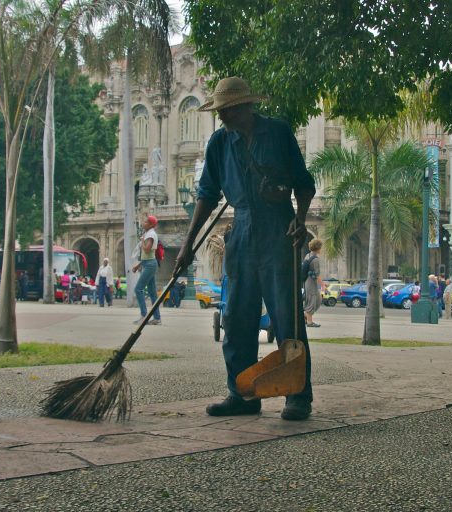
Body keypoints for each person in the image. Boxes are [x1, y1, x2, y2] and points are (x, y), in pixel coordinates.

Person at [176, 76, 315, 421]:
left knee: (287, 316)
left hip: (278, 229)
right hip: (240, 232)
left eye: (228, 111)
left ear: (246, 107)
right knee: (236, 316)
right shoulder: (219, 144)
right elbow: (207, 195)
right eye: (220, 112)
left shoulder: (279, 133)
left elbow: (304, 183)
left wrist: (300, 218)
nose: (222, 117)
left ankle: (297, 395)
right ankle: (241, 394)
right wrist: (188, 244)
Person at [132, 215, 161, 325]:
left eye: (146, 222)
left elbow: (147, 249)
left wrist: (143, 241)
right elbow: (146, 256)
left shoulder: (151, 234)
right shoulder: (148, 234)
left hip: (150, 265)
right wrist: (138, 266)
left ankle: (144, 315)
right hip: (148, 263)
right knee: (152, 293)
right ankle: (157, 318)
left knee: (138, 289)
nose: (143, 223)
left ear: (151, 224)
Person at [303, 239, 325, 328]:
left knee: (318, 299)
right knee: (312, 300)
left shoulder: (307, 255)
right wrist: (323, 284)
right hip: (311, 282)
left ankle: (306, 315)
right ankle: (309, 322)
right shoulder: (315, 259)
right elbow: (316, 274)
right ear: (318, 248)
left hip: (306, 281)